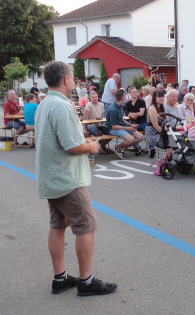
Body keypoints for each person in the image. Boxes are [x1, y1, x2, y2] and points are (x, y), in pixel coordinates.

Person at [35, 60, 117, 296]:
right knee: (85, 227)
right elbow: (73, 146)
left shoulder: (45, 103)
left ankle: (60, 278)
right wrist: (91, 146)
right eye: (71, 76)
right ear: (66, 79)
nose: (73, 80)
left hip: (51, 175)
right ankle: (87, 281)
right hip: (67, 178)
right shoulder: (62, 106)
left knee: (57, 225)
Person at [106, 89, 144, 159]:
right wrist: (128, 128)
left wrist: (130, 125)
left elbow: (121, 119)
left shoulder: (119, 105)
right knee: (131, 139)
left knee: (140, 137)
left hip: (121, 126)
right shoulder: (113, 109)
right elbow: (114, 126)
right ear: (122, 98)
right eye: (125, 95)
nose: (127, 96)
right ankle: (119, 147)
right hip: (113, 128)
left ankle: (121, 148)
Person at [145, 91, 166, 158]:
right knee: (170, 141)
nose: (161, 98)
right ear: (154, 98)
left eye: (162, 96)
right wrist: (165, 133)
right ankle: (166, 158)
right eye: (159, 97)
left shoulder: (161, 108)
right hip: (152, 134)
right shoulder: (152, 108)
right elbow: (155, 125)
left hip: (157, 132)